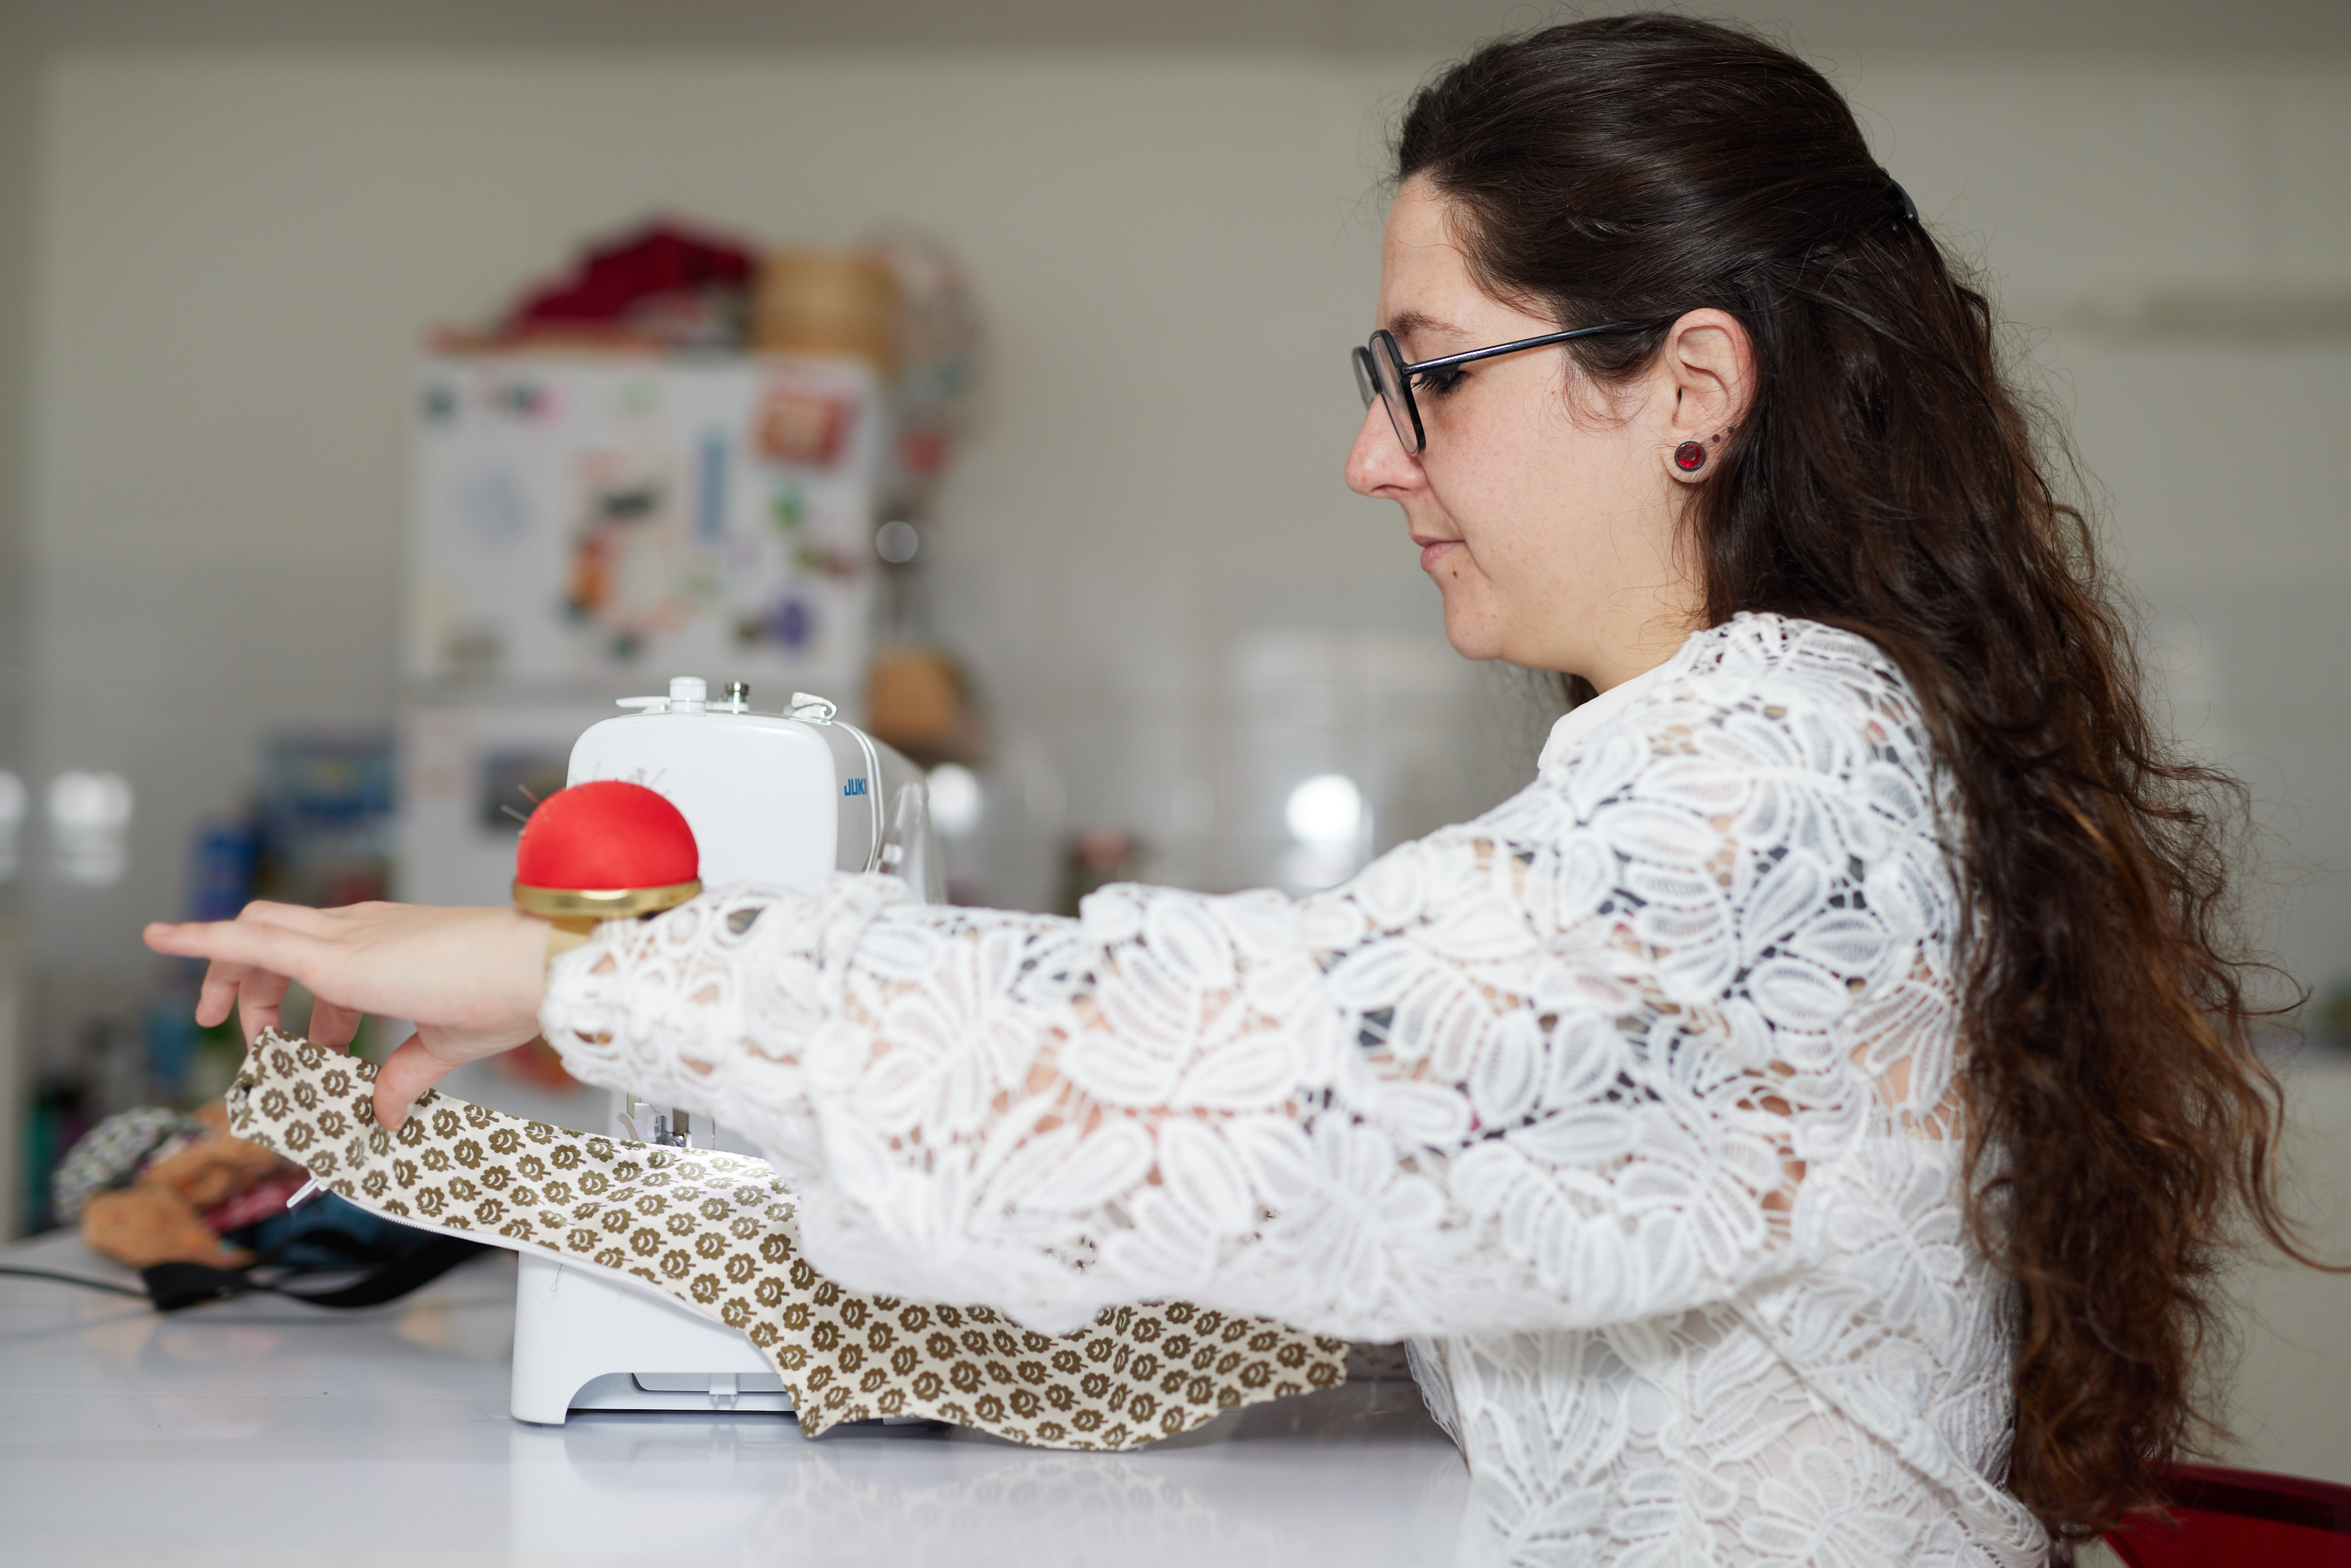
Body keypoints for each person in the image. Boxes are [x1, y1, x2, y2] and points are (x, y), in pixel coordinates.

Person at [145, 15, 2311, 1565]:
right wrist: (648, 1072)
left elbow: (1241, 1075)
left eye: (1423, 373)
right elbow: (1368, 1186)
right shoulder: (1767, 740)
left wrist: (602, 967)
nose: (1374, 455)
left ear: (1688, 391)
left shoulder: (1773, 777)